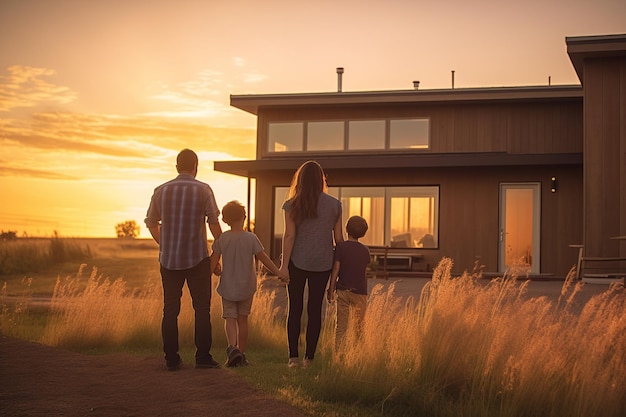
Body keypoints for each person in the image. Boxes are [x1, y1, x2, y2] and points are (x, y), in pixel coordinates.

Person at [145, 149, 223, 371]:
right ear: (196, 166)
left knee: (170, 310)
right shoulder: (204, 189)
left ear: (177, 166)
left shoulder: (160, 191)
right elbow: (214, 222)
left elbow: (151, 223)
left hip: (169, 260)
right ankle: (203, 357)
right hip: (197, 259)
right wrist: (220, 249)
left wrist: (164, 244)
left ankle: (171, 358)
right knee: (202, 309)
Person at [279, 160, 344, 368]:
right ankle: (309, 359)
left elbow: (289, 236)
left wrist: (283, 266)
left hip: (297, 261)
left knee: (295, 308)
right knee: (315, 309)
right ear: (321, 180)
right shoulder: (335, 205)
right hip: (323, 262)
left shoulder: (291, 204)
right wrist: (341, 265)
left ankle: (293, 359)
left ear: (300, 180)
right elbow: (339, 239)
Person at [210, 200, 288, 367]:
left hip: (227, 287)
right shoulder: (251, 238)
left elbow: (213, 261)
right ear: (244, 217)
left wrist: (205, 276)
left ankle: (232, 349)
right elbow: (264, 259)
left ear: (225, 220)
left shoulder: (222, 239)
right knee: (243, 320)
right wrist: (278, 272)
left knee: (229, 318)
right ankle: (241, 354)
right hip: (247, 287)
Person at [326, 216, 371, 353]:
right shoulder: (365, 250)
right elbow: (364, 273)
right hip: (360, 292)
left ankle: (338, 354)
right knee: (359, 326)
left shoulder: (341, 247)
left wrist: (331, 288)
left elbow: (336, 269)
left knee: (341, 326)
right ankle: (358, 354)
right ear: (363, 233)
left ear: (346, 229)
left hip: (343, 291)